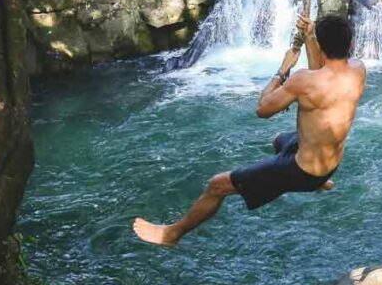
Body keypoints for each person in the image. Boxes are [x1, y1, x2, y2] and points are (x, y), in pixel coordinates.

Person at [133, 13, 366, 247]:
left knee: (217, 185)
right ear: (351, 44)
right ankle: (320, 181)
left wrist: (283, 69)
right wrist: (309, 36)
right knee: (278, 140)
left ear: (323, 47)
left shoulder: (303, 81)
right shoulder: (358, 70)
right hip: (331, 164)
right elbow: (320, 72)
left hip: (303, 171)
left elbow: (263, 109)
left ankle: (171, 235)